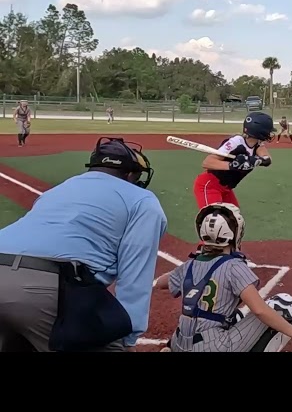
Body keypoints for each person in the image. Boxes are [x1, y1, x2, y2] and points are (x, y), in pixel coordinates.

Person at [0, 137, 167, 352]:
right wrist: (127, 339)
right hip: (48, 284)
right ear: (131, 174)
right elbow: (135, 277)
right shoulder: (142, 200)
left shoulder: (59, 189)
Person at [155, 202, 292, 352]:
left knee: (236, 317)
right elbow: (260, 310)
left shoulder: (188, 265)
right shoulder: (234, 266)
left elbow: (161, 283)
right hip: (212, 346)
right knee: (283, 305)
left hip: (178, 343)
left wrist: (187, 270)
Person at [193, 111, 275, 210]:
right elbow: (208, 162)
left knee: (234, 222)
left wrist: (254, 160)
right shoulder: (236, 142)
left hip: (227, 188)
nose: (270, 134)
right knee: (215, 221)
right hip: (210, 185)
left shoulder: (257, 145)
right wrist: (233, 165)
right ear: (259, 131)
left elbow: (267, 159)